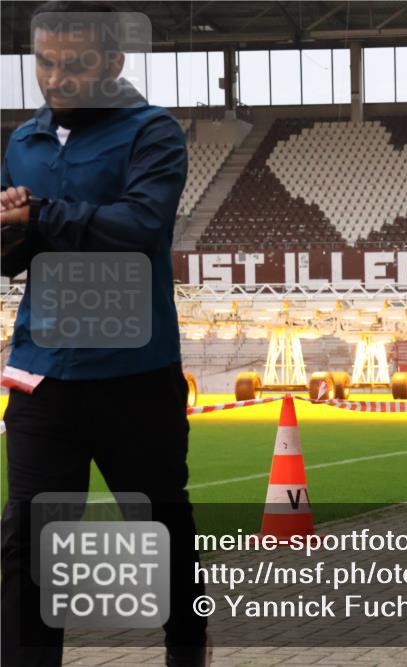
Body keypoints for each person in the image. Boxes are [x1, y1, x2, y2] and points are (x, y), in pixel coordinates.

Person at [0, 3, 208, 665]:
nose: (56, 78)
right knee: (29, 546)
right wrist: (9, 234)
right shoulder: (21, 143)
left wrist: (41, 214)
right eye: (45, 63)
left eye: (76, 64)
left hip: (135, 380)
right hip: (42, 377)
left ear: (114, 63)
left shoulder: (153, 133)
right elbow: (18, 257)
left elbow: (138, 229)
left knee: (162, 537)